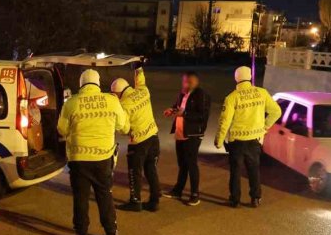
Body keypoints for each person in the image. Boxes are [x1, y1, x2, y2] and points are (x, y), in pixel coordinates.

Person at [57, 68, 129, 235]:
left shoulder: (72, 103)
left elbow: (62, 129)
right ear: (98, 83)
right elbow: (124, 126)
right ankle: (110, 233)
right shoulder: (111, 101)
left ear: (81, 84)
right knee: (104, 195)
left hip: (79, 159)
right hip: (103, 158)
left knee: (80, 197)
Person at [214, 66, 282, 208]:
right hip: (254, 140)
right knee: (254, 170)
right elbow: (276, 111)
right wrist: (265, 127)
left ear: (236, 78)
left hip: (237, 142)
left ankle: (235, 199)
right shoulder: (262, 93)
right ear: (250, 76)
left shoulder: (232, 97)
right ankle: (255, 198)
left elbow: (224, 122)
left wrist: (219, 140)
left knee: (235, 172)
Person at [111, 67, 161, 212]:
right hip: (153, 137)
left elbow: (125, 128)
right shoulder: (143, 91)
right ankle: (154, 201)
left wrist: (118, 128)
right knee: (151, 169)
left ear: (118, 93)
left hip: (139, 143)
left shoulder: (123, 105)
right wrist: (138, 69)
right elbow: (140, 81)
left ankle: (135, 201)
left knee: (135, 171)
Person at [163, 72, 211, 206]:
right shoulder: (182, 94)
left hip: (192, 135)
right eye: (184, 81)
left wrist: (185, 113)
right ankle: (178, 190)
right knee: (182, 164)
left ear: (195, 82)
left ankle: (195, 194)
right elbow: (178, 107)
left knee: (191, 164)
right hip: (180, 133)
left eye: (188, 82)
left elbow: (202, 116)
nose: (185, 84)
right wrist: (171, 110)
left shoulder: (201, 95)